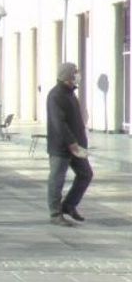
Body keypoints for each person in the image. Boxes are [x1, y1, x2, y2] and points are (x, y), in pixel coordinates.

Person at [46, 62, 92, 226]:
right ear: (68, 77)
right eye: (75, 73)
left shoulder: (70, 94)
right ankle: (55, 213)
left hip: (77, 146)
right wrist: (71, 143)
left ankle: (69, 205)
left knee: (86, 174)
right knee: (57, 179)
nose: (78, 75)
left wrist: (80, 143)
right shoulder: (55, 95)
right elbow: (59, 123)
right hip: (62, 146)